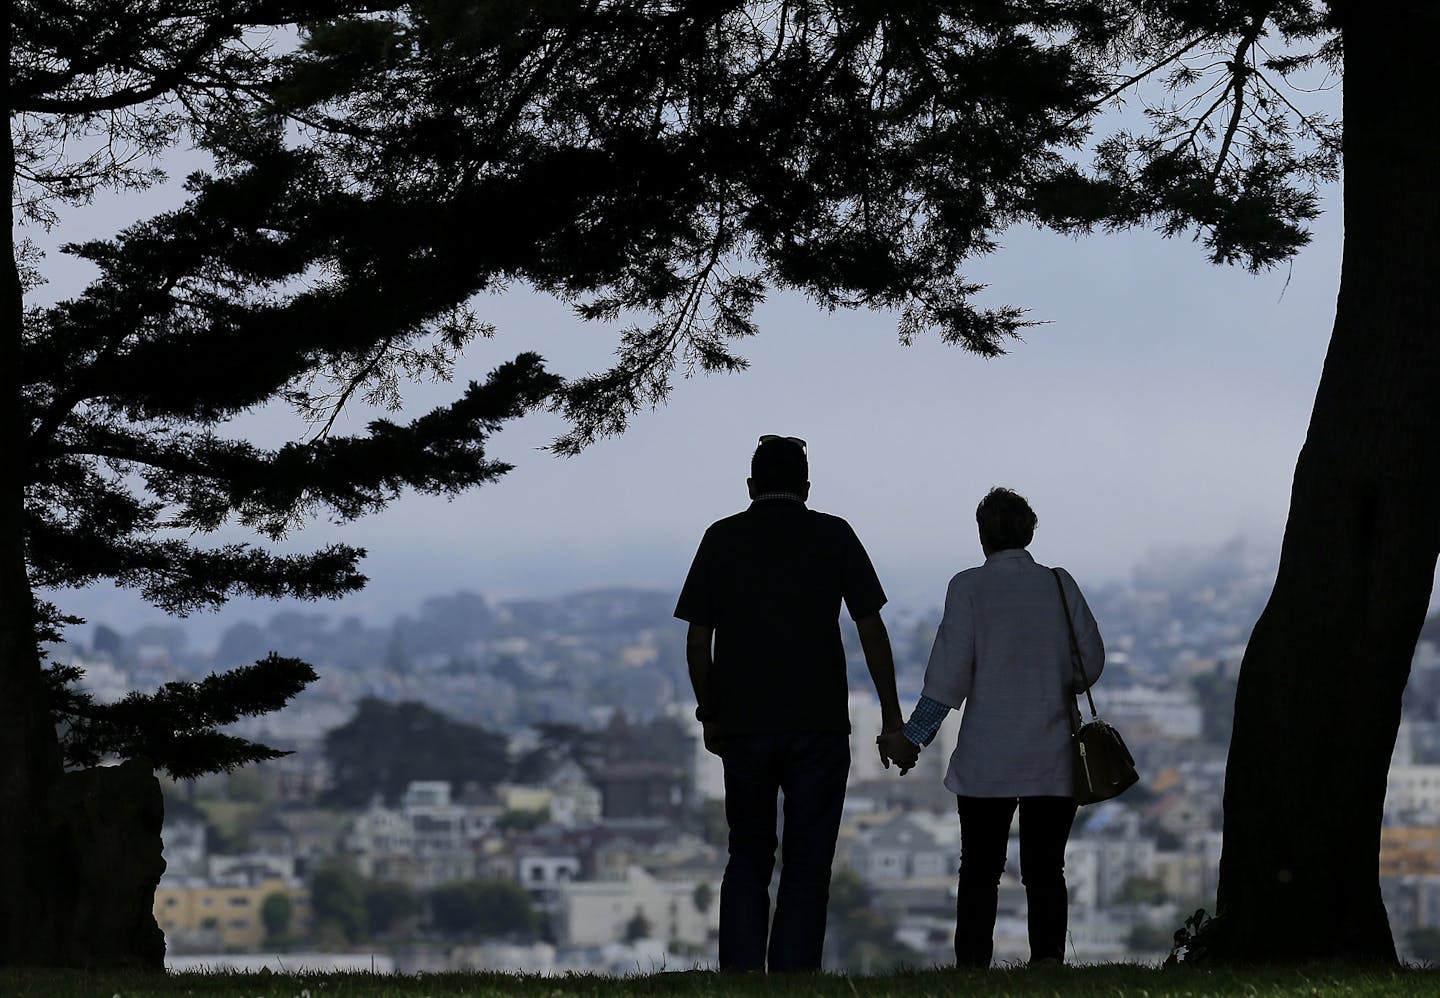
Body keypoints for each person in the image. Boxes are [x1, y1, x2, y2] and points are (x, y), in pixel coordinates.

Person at [675, 434, 908, 973]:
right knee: (808, 863)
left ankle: (740, 973)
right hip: (818, 723)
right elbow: (871, 627)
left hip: (745, 722)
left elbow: (696, 639)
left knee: (748, 854)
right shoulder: (834, 534)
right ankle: (794, 975)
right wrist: (892, 716)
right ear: (806, 488)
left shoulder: (722, 537)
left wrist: (709, 712)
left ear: (752, 486)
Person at [879, 487, 1104, 967]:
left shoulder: (968, 588)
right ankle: (1046, 964)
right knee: (1046, 870)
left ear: (982, 535)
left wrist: (912, 738)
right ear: (1030, 531)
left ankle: (973, 967)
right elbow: (1091, 662)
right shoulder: (1061, 585)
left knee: (979, 870)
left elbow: (947, 677)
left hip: (988, 758)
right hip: (1052, 755)